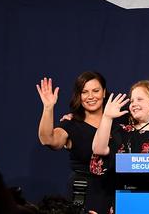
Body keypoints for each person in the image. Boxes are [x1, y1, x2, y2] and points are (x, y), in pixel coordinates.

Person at [36, 72, 112, 214]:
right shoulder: (71, 124)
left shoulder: (119, 120)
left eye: (96, 91)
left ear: (104, 92)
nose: (90, 96)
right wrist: (48, 107)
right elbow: (47, 139)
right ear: (79, 96)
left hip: (118, 192)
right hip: (85, 195)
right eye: (84, 92)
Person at [92, 80, 149, 156]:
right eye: (132, 101)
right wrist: (107, 117)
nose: (134, 104)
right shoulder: (122, 132)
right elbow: (99, 150)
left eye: (139, 99)